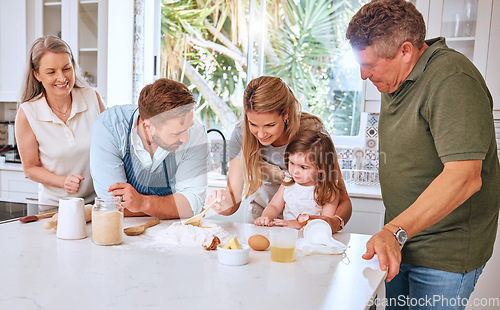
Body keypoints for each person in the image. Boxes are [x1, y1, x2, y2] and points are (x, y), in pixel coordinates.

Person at [346, 0, 500, 308]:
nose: (364, 75)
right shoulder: (395, 80)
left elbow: (465, 177)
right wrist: (395, 234)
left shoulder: (452, 79)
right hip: (402, 243)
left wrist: (393, 230)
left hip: (444, 253)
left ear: (405, 51)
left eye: (371, 66)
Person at [208, 76, 351, 232]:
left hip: (308, 226)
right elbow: (233, 198)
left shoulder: (313, 134)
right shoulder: (241, 134)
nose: (261, 134)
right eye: (253, 124)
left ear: (286, 114)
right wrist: (222, 203)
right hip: (264, 219)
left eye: (270, 125)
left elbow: (343, 199)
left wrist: (331, 222)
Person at [90, 78, 210, 219]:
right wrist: (173, 205)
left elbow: (192, 205)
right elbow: (112, 204)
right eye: (176, 133)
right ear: (148, 126)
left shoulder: (195, 131)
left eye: (187, 130)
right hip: (123, 227)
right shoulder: (109, 127)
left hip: (174, 229)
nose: (186, 139)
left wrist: (143, 203)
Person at [15, 35, 106, 206]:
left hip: (97, 203)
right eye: (51, 72)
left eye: (66, 68)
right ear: (37, 74)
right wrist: (63, 181)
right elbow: (30, 168)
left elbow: (111, 146)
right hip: (55, 206)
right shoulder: (27, 113)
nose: (62, 78)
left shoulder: (92, 98)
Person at [255, 130, 345, 232]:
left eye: (303, 167)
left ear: (321, 167)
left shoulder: (328, 191)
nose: (295, 171)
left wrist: (295, 224)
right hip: (288, 235)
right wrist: (266, 217)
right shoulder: (288, 181)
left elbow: (325, 222)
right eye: (291, 163)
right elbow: (274, 206)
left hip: (313, 237)